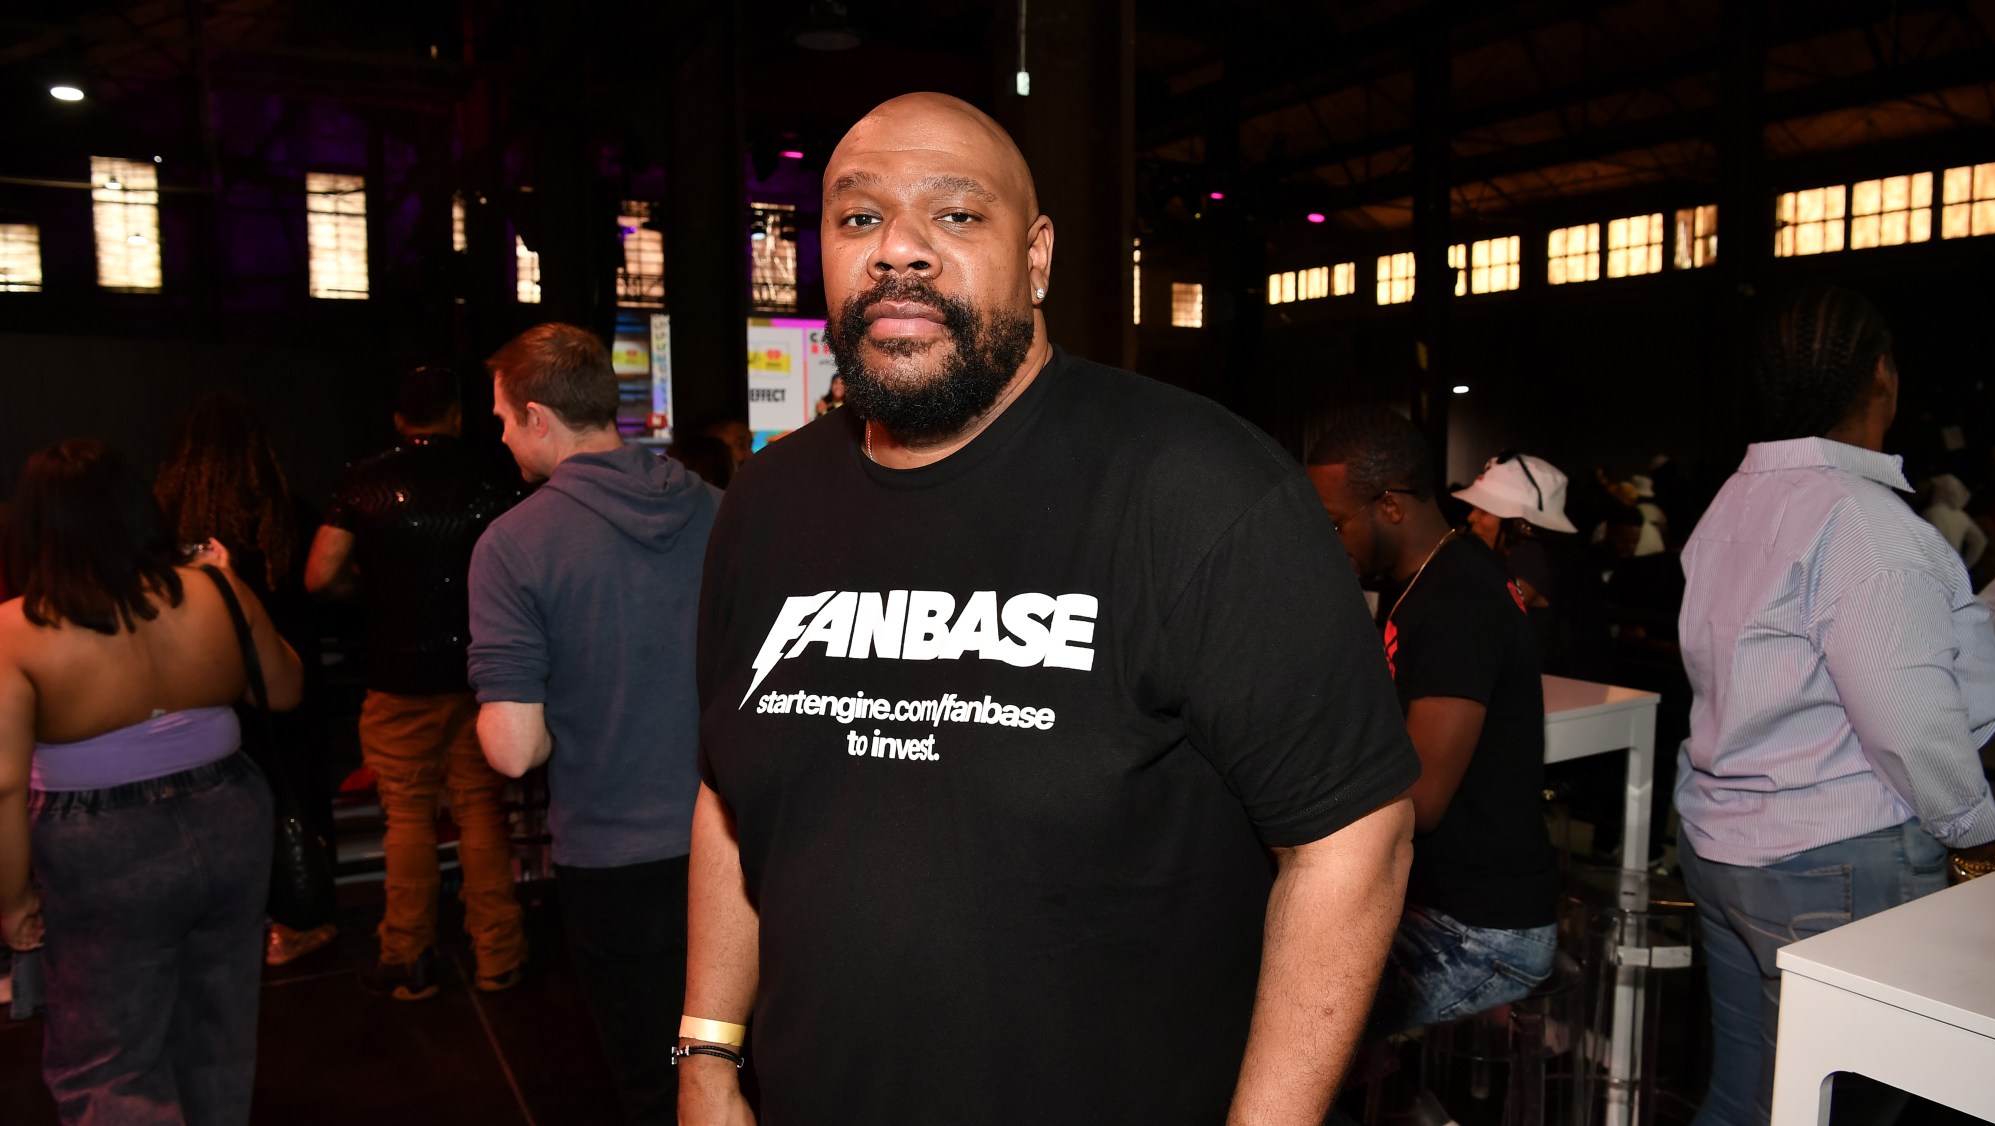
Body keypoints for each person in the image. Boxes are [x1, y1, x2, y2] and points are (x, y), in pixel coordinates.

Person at [683, 93, 1419, 1126]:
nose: (899, 250)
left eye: (954, 215)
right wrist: (709, 1052)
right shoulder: (763, 504)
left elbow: (1351, 838)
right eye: (859, 218)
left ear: (1035, 258)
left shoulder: (1197, 486)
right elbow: (728, 791)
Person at [1677, 286, 1995, 1126]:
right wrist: (1979, 831)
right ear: (1882, 378)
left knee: (1752, 1091)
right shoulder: (1864, 523)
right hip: (1832, 856)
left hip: (1729, 841)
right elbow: (1906, 718)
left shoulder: (1733, 506)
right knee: (1851, 1104)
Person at [1, 438, 302, 1125]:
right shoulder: (216, 590)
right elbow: (286, 688)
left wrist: (13, 896)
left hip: (100, 846)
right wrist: (234, 588)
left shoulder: (15, 630)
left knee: (108, 1053)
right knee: (220, 1028)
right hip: (229, 812)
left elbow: (3, 784)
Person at [469, 323, 721, 1125]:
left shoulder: (513, 545)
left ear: (539, 417)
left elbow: (514, 751)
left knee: (656, 1081)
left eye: (505, 419)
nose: (503, 436)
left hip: (618, 863)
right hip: (739, 845)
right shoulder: (721, 509)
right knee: (734, 1065)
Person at [1305, 410, 1559, 1038]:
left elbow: (1419, 801)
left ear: (1389, 505)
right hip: (1432, 902)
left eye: (1335, 522)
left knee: (1292, 1014)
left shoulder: (1459, 602)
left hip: (1480, 930)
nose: (1328, 539)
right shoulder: (1413, 581)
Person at [304, 365, 526, 1001]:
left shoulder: (365, 481)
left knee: (405, 816)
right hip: (479, 671)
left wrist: (369, 591)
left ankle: (409, 954)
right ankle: (499, 958)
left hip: (398, 676)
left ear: (400, 420)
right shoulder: (493, 476)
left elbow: (320, 576)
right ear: (458, 414)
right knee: (481, 812)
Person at [155, 392, 339, 966]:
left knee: (205, 812)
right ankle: (302, 918)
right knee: (295, 802)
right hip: (285, 684)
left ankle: (222, 923)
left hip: (200, 690)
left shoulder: (164, 527)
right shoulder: (294, 515)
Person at [1456, 451, 1613, 680]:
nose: (1471, 518)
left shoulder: (1530, 557)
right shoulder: (1545, 553)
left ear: (1517, 523)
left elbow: (1485, 619)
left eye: (1483, 511)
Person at [1922, 472, 1986, 572]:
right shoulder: (1962, 516)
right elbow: (1980, 542)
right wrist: (1965, 565)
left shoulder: (1932, 513)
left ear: (1941, 491)